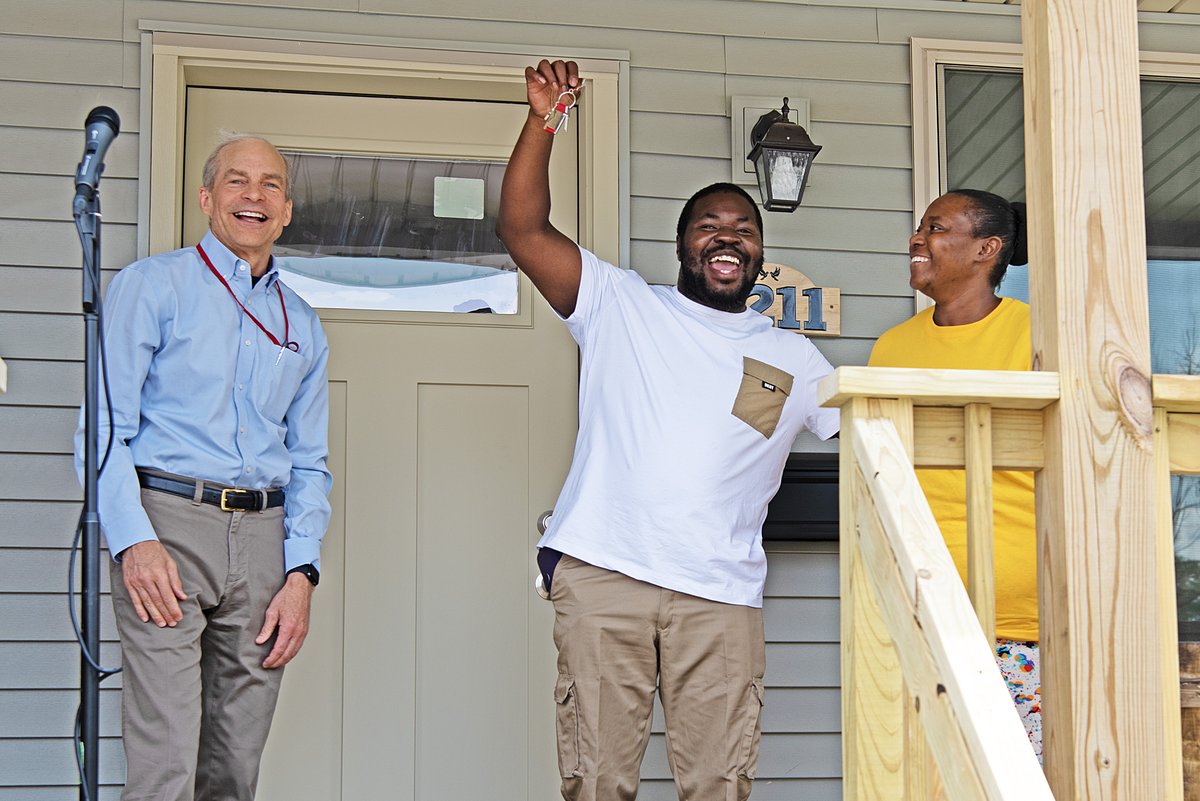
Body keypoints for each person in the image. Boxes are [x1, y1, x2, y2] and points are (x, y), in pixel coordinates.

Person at [497, 59, 840, 801]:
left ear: (758, 252)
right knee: (598, 782)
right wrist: (543, 120)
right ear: (683, 244)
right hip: (605, 577)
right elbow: (521, 228)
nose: (727, 238)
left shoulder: (795, 358)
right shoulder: (620, 305)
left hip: (720, 596)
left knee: (717, 784)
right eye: (709, 226)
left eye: (743, 229)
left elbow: (878, 436)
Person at [73, 133, 332, 801]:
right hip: (167, 526)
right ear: (206, 198)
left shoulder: (302, 324)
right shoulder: (152, 287)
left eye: (270, 184)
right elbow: (102, 431)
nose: (254, 195)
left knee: (233, 770)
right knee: (166, 769)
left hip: (264, 542)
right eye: (237, 181)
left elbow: (309, 461)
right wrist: (134, 540)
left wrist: (302, 572)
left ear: (287, 209)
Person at [868, 188, 1040, 759]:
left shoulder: (1041, 338)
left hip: (1019, 620)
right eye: (919, 228)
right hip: (919, 613)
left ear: (987, 249)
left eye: (937, 228)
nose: (918, 239)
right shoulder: (891, 349)